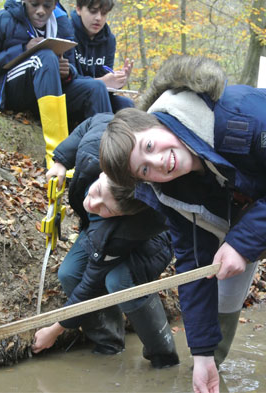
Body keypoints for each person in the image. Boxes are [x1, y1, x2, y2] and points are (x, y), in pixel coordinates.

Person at [99, 56, 266, 393]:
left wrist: (243, 241)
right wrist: (201, 355)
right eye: (144, 170)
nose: (159, 162)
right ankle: (210, 372)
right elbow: (193, 262)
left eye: (149, 146)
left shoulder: (240, 116)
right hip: (241, 218)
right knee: (219, 287)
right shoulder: (170, 192)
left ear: (157, 122)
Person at [32, 113, 178, 367]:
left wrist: (54, 330)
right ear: (106, 172)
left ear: (120, 214)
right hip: (101, 228)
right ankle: (110, 343)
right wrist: (61, 160)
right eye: (98, 192)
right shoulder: (100, 146)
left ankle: (163, 356)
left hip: (156, 239)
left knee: (117, 280)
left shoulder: (122, 230)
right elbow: (92, 121)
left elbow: (90, 285)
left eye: (105, 208)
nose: (91, 203)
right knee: (68, 274)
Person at [0, 0, 111, 168]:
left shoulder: (61, 25)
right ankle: (56, 157)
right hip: (8, 90)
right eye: (34, 4)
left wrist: (68, 73)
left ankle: (103, 161)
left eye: (47, 5)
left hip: (46, 91)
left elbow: (72, 68)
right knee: (44, 57)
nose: (41, 11)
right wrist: (22, 50)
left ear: (55, 5)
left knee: (96, 88)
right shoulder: (3, 20)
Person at [71, 0, 134, 112]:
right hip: (72, 95)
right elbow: (68, 79)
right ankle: (100, 130)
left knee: (127, 106)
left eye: (104, 13)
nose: (98, 18)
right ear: (78, 9)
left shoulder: (109, 39)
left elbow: (106, 83)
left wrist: (117, 81)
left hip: (97, 93)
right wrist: (102, 82)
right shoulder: (67, 32)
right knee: (97, 89)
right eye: (93, 11)